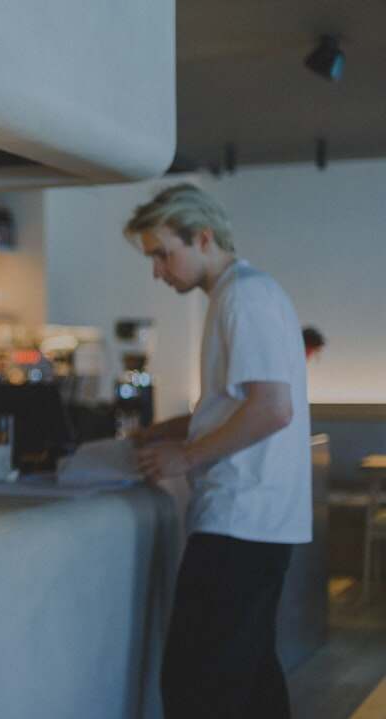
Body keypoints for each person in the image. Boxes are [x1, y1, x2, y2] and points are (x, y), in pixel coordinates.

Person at [123, 184, 310, 719]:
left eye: (163, 253)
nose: (158, 270)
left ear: (202, 238)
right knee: (248, 682)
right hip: (257, 521)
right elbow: (240, 402)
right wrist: (168, 429)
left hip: (241, 518)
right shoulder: (246, 292)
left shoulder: (243, 295)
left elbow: (273, 408)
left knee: (197, 684)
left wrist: (187, 455)